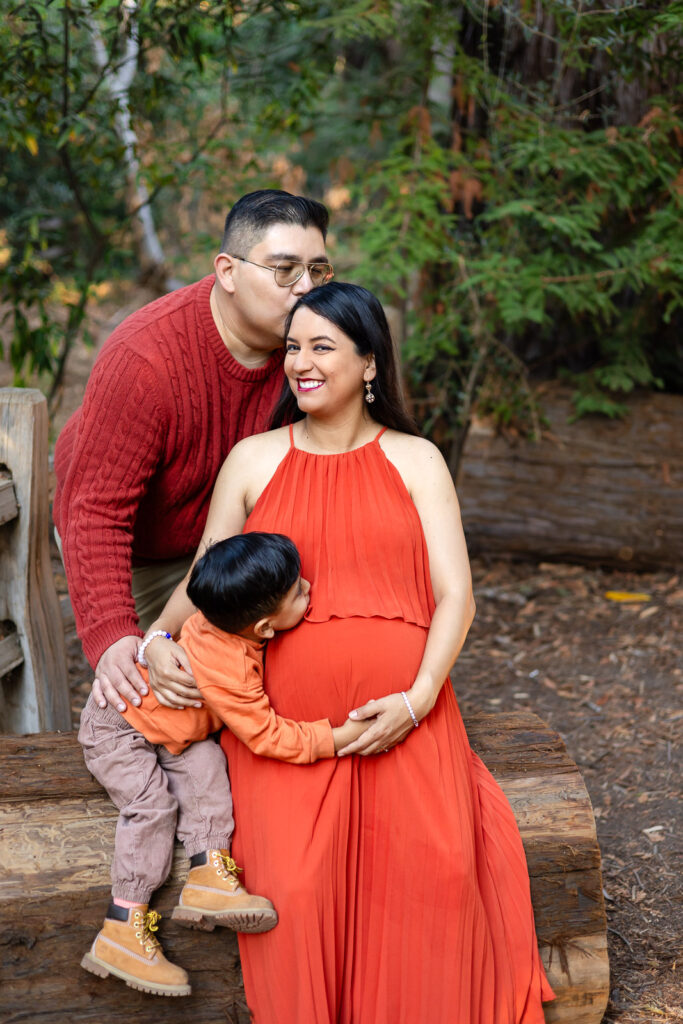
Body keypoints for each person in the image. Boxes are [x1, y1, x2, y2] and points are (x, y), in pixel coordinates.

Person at [142, 282, 555, 1022]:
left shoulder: (416, 459)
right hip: (283, 738)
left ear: (369, 363)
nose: (299, 362)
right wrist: (149, 640)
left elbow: (455, 597)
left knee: (438, 880)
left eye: (321, 347)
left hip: (405, 722)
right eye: (292, 347)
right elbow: (204, 583)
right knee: (294, 902)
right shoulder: (253, 459)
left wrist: (416, 699)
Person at [53, 189, 333, 714]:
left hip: (236, 536)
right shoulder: (144, 360)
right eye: (285, 270)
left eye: (318, 270)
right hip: (143, 545)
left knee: (278, 676)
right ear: (227, 271)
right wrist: (114, 635)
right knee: (157, 701)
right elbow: (94, 511)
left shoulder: (311, 350)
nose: (306, 289)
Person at [79, 531, 368, 998]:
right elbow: (267, 735)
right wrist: (335, 739)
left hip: (178, 733)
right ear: (265, 629)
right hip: (119, 728)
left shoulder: (215, 608)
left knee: (209, 765)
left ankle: (208, 876)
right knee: (152, 807)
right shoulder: (228, 670)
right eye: (298, 591)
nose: (310, 586)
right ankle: (121, 928)